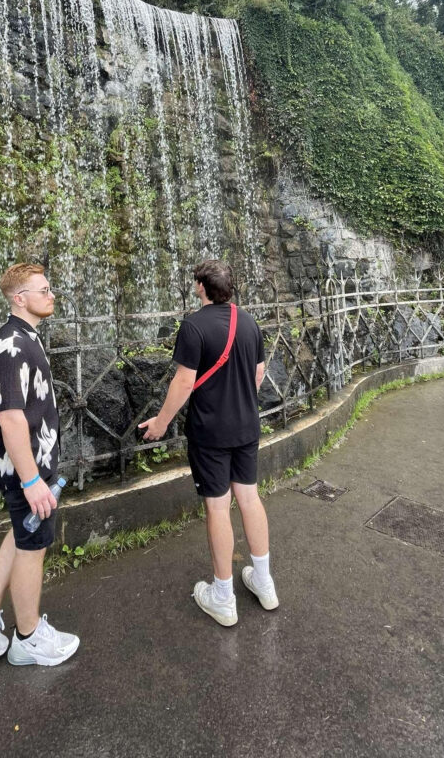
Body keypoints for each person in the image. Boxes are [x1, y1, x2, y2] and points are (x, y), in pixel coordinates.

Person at [139, 259, 277, 626]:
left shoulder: (193, 326)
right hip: (247, 426)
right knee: (249, 498)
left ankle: (222, 595)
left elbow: (184, 383)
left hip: (211, 432)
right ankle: (264, 583)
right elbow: (258, 373)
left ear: (201, 287)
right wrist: (240, 400)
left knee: (218, 508)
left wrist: (160, 423)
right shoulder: (249, 322)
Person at [0, 263, 79, 665]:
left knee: (21, 535)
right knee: (33, 548)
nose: (51, 294)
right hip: (26, 470)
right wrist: (31, 480)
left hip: (32, 465)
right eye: (43, 290)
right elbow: (10, 418)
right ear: (19, 299)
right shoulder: (11, 346)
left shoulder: (26, 338)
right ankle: (27, 638)